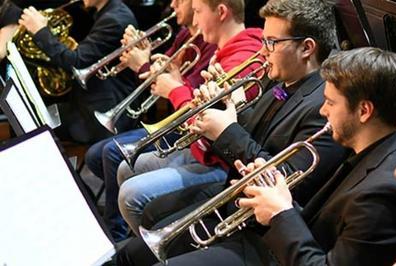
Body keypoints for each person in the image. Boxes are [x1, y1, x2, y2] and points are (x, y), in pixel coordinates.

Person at [131, 47, 396, 266]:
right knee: (139, 245)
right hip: (274, 241)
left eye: (330, 103)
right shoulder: (373, 150)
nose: (323, 112)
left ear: (364, 111)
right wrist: (274, 185)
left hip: (278, 251)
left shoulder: (380, 194)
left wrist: (280, 211)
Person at [117, 0, 349, 244]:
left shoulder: (323, 109)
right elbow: (255, 132)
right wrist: (228, 103)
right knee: (151, 214)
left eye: (271, 42)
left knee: (139, 217)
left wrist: (226, 129)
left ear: (306, 48)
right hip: (233, 187)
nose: (262, 51)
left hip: (257, 223)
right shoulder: (280, 79)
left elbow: (283, 181)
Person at [117, 0, 265, 237]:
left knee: (131, 193)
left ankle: (145, 249)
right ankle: (135, 241)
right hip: (200, 148)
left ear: (222, 12)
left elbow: (206, 125)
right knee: (126, 168)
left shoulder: (243, 58)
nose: (194, 22)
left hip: (220, 160)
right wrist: (178, 82)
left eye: (197, 12)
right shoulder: (220, 49)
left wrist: (176, 89)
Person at [84, 0, 217, 242]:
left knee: (114, 154)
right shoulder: (186, 34)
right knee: (95, 155)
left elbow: (190, 97)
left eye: (183, 2)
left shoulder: (209, 42)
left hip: (188, 129)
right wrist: (143, 56)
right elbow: (158, 80)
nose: (173, 5)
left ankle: (117, 235)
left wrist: (145, 65)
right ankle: (132, 219)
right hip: (175, 121)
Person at [18, 0, 138, 143]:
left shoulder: (114, 19)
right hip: (91, 100)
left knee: (35, 126)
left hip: (103, 109)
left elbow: (77, 62)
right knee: (33, 118)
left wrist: (40, 31)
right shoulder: (107, 12)